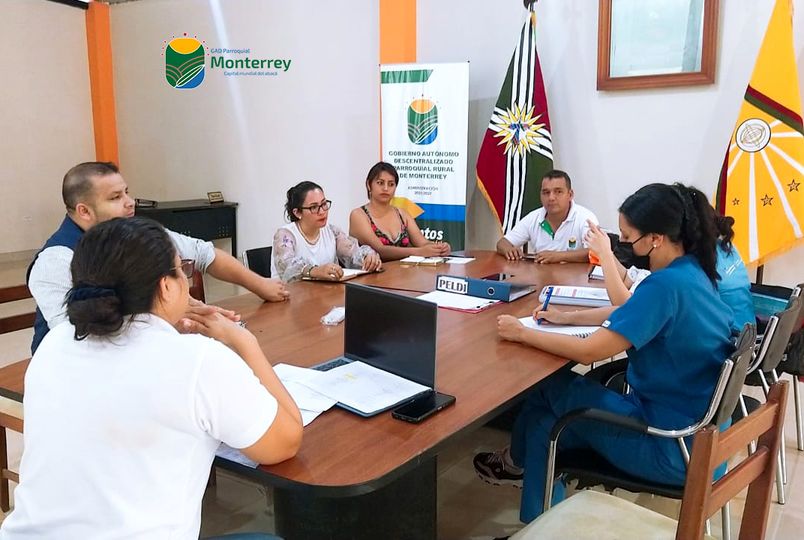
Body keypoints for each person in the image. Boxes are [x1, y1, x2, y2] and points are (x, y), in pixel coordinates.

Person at [1, 217, 302, 539]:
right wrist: (245, 342)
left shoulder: (54, 343)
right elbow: (285, 442)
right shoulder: (197, 360)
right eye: (181, 270)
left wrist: (165, 326)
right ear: (166, 286)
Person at [474, 183, 734, 524]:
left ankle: (516, 467)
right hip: (703, 442)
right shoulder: (693, 272)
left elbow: (588, 352)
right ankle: (536, 519)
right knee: (543, 422)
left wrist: (522, 333)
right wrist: (566, 318)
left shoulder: (665, 286)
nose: (624, 245)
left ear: (655, 238)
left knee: (547, 387)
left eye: (628, 238)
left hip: (671, 445)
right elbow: (634, 311)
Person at [27, 162, 290, 354]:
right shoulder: (56, 261)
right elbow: (79, 336)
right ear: (84, 211)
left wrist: (261, 285)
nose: (130, 202)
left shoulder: (136, 233)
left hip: (140, 352)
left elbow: (205, 254)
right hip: (76, 373)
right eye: (116, 197)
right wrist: (166, 313)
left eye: (127, 192)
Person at [582, 203, 754, 328]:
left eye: (627, 236)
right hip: (742, 340)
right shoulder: (721, 247)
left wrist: (605, 255)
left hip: (722, 345)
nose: (623, 240)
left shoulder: (690, 268)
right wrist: (607, 253)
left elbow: (628, 309)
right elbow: (630, 279)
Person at [273, 181, 382, 281]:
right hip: (291, 293)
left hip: (326, 292)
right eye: (314, 207)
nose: (322, 212)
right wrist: (316, 271)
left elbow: (353, 253)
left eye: (324, 204)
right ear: (297, 213)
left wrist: (368, 257)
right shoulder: (285, 235)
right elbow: (288, 266)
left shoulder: (332, 231)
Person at [348, 162, 451, 261]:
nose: (385, 188)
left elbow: (422, 243)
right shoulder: (358, 215)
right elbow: (380, 250)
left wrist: (439, 248)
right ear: (368, 185)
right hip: (373, 273)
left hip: (404, 272)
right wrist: (419, 252)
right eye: (380, 183)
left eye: (391, 184)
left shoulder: (402, 214)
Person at [496, 170, 599, 263]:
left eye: (558, 192)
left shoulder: (586, 218)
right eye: (546, 193)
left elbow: (596, 252)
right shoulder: (534, 217)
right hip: (541, 276)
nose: (551, 198)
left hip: (576, 277)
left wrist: (559, 256)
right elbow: (502, 243)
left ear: (570, 195)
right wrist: (509, 250)